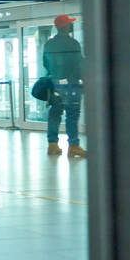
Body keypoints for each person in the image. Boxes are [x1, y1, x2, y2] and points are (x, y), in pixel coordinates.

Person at [44, 14, 85, 157]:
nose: (71, 25)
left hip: (55, 83)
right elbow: (79, 64)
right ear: (65, 27)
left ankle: (52, 145)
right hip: (71, 84)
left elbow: (45, 63)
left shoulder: (49, 44)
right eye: (69, 23)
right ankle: (73, 146)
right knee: (72, 114)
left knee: (55, 114)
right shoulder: (73, 43)